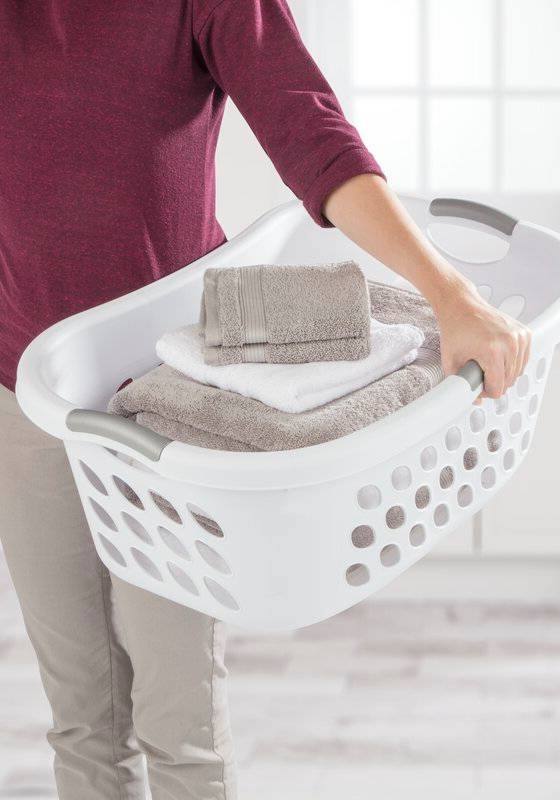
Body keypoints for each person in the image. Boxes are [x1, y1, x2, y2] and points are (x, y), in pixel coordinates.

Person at [0, 2, 531, 798]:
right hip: (24, 391)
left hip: (164, 404)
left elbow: (312, 133)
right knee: (82, 724)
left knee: (178, 730)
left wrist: (449, 292)